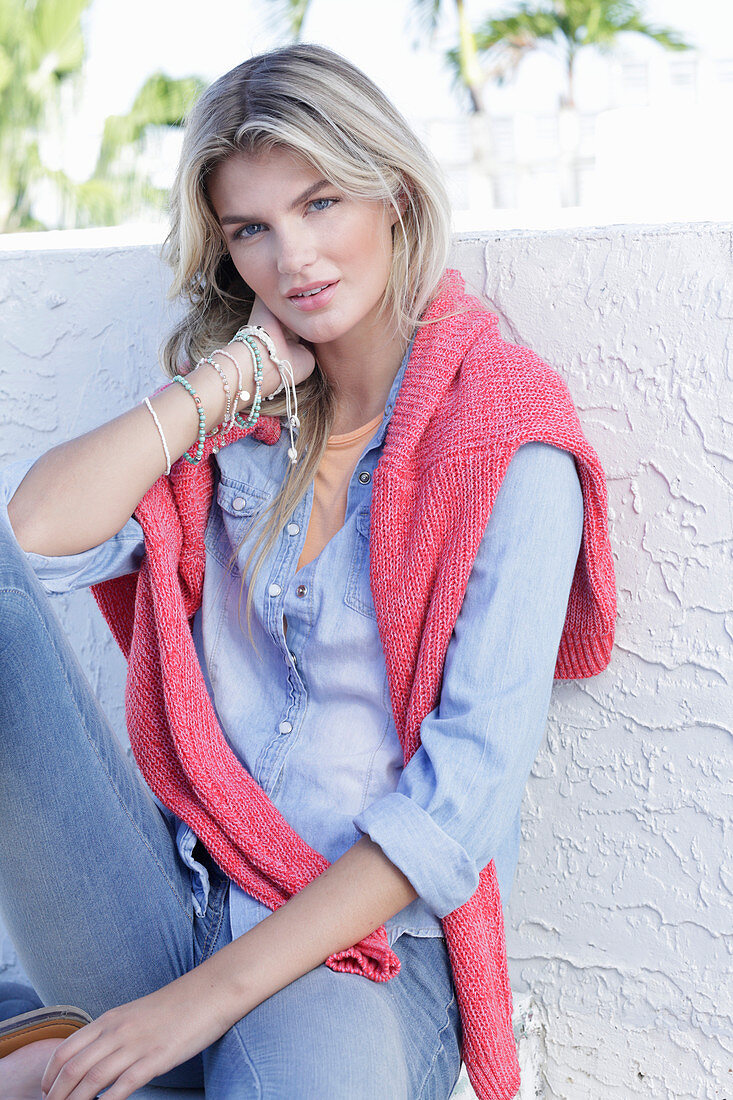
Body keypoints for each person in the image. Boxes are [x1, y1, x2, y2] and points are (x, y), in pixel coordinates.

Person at [0, 43, 615, 1100]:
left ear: (393, 192)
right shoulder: (228, 429)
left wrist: (193, 1004)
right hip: (174, 900)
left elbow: (453, 809)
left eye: (321, 202)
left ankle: (59, 1046)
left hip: (361, 957)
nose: (295, 257)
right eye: (252, 228)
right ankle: (94, 1049)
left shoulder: (507, 438)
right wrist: (230, 374)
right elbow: (36, 533)